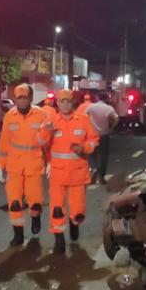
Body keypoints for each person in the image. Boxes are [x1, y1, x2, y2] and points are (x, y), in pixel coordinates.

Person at [0, 83, 52, 246]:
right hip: (13, 167)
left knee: (35, 201)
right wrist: (0, 164)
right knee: (14, 203)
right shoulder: (9, 117)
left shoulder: (41, 116)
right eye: (19, 98)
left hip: (34, 165)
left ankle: (36, 217)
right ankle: (18, 234)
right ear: (15, 99)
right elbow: (4, 142)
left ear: (31, 98)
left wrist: (50, 161)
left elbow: (47, 143)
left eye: (25, 98)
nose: (22, 101)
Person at [46, 89, 99, 254]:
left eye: (68, 101)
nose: (65, 104)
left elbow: (94, 140)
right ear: (58, 103)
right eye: (62, 101)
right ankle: (59, 240)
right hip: (58, 174)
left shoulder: (83, 120)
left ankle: (74, 224)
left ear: (72, 103)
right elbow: (43, 144)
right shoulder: (51, 121)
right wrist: (47, 162)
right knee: (56, 208)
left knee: (77, 211)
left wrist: (84, 148)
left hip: (77, 173)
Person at [84, 91, 119, 186]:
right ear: (107, 98)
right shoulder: (109, 108)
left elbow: (84, 116)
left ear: (97, 98)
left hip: (92, 136)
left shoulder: (91, 107)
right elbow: (116, 118)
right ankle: (102, 177)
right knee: (103, 156)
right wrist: (111, 128)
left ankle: (94, 168)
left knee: (92, 155)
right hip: (104, 135)